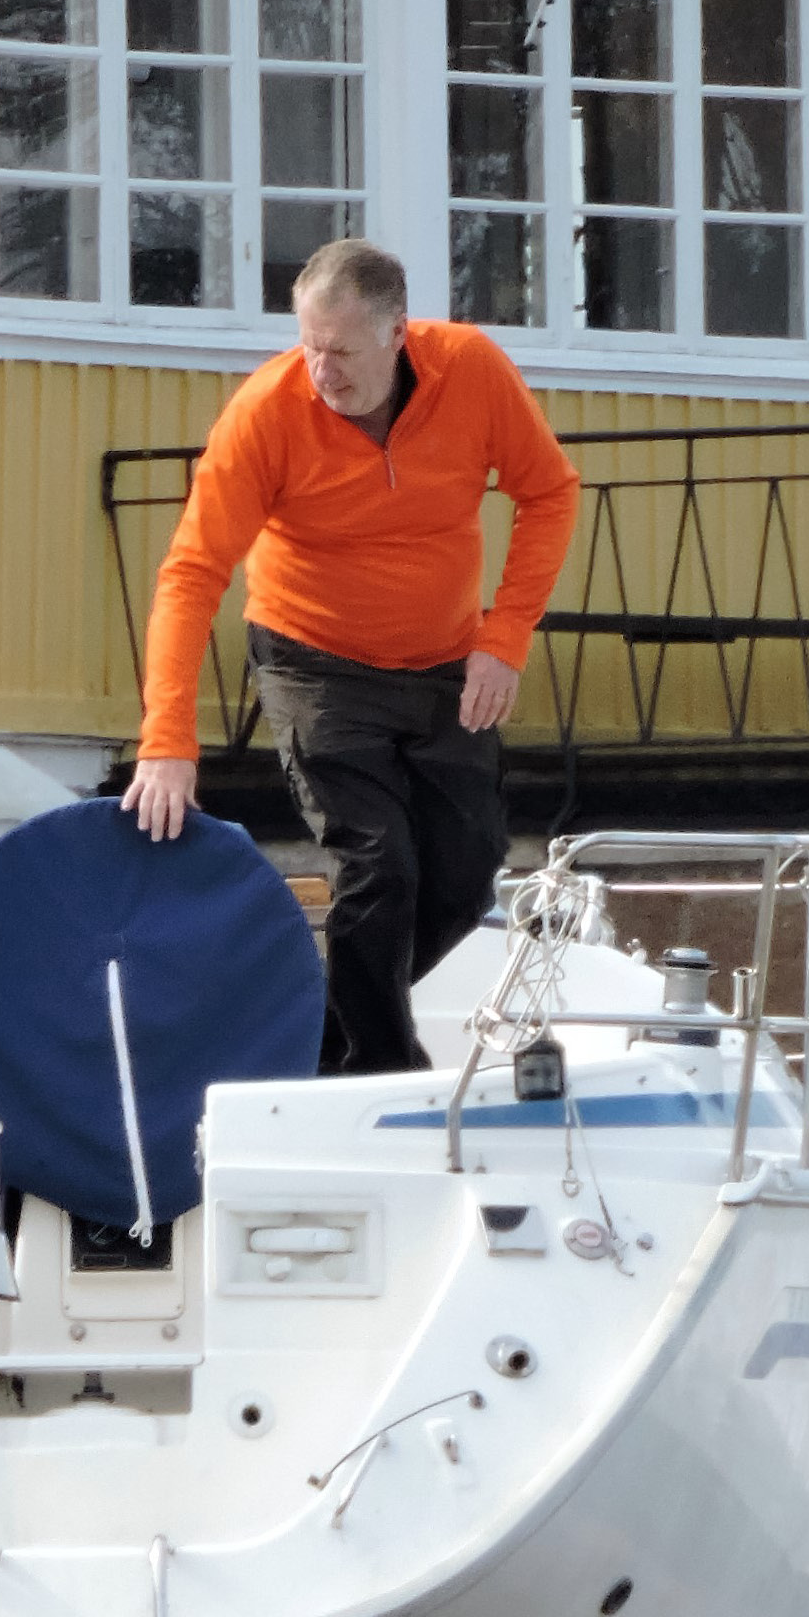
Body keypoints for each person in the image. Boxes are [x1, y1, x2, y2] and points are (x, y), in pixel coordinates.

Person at [124, 237, 579, 1073]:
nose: (321, 371)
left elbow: (548, 492)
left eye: (339, 351)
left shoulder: (471, 369)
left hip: (446, 660)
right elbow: (191, 575)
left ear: (398, 332)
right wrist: (166, 743)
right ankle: (376, 1068)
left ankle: (319, 1042)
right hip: (314, 659)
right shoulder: (265, 413)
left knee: (468, 870)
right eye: (308, 346)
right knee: (379, 865)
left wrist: (503, 639)